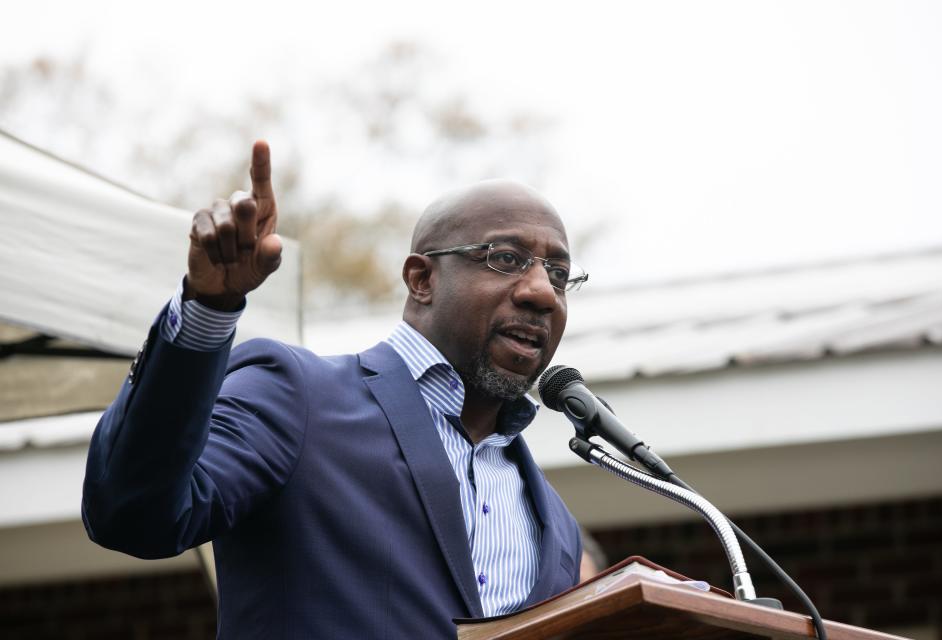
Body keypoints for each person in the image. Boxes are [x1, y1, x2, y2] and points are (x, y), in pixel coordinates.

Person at [82, 141, 587, 638]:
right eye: (505, 258)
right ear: (421, 280)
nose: (542, 291)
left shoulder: (558, 526)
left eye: (560, 274)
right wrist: (206, 310)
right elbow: (132, 513)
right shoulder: (297, 397)